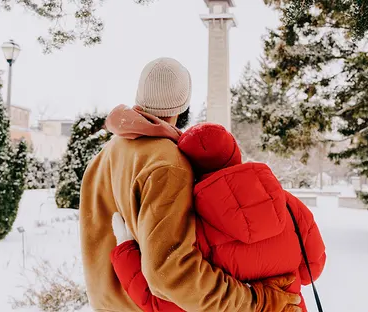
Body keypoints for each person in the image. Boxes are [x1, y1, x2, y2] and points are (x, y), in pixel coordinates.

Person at [79, 57, 302, 312]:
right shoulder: (167, 164)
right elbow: (172, 272)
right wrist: (255, 302)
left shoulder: (102, 157)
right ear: (183, 104)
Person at [109, 122, 327, 312]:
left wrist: (126, 253)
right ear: (235, 152)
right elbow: (312, 270)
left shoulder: (193, 224)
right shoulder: (289, 204)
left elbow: (169, 300)